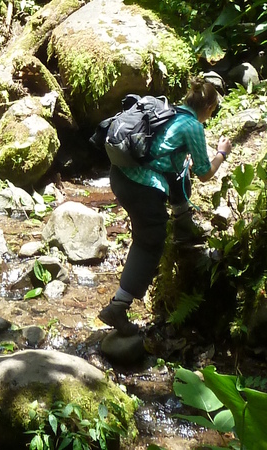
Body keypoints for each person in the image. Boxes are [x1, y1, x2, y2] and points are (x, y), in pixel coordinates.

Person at [98, 77, 235, 334]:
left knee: (181, 164)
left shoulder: (168, 113)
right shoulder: (192, 125)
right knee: (149, 242)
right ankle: (117, 308)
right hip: (141, 187)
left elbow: (177, 162)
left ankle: (183, 223)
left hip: (120, 174)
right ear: (208, 108)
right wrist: (222, 153)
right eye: (213, 112)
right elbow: (205, 173)